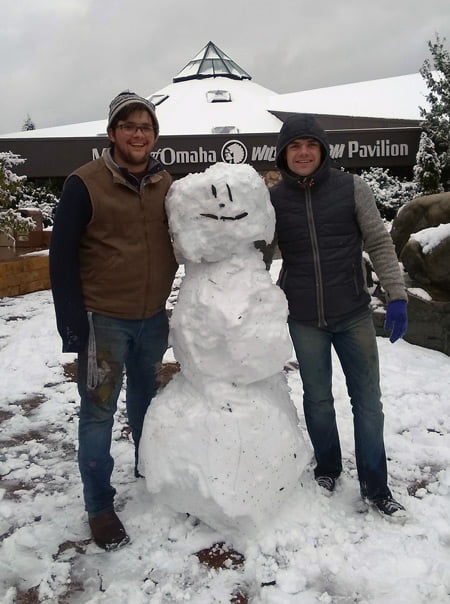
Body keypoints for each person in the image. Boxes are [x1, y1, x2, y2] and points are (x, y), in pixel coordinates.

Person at [49, 91, 178, 549]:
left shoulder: (168, 184)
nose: (138, 133)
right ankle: (99, 506)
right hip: (102, 321)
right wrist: (71, 326)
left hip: (151, 319)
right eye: (129, 126)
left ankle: (148, 468)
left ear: (154, 136)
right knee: (99, 412)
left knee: (148, 401)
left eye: (146, 127)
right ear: (112, 134)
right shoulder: (84, 183)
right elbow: (61, 259)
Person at [269, 114, 408, 518]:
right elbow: (257, 255)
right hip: (304, 317)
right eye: (295, 146)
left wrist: (396, 295)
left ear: (323, 150)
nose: (304, 152)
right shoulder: (274, 201)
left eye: (310, 144)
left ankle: (375, 484)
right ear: (284, 154)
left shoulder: (352, 188)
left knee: (367, 401)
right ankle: (328, 467)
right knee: (318, 399)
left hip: (352, 313)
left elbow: (379, 241)